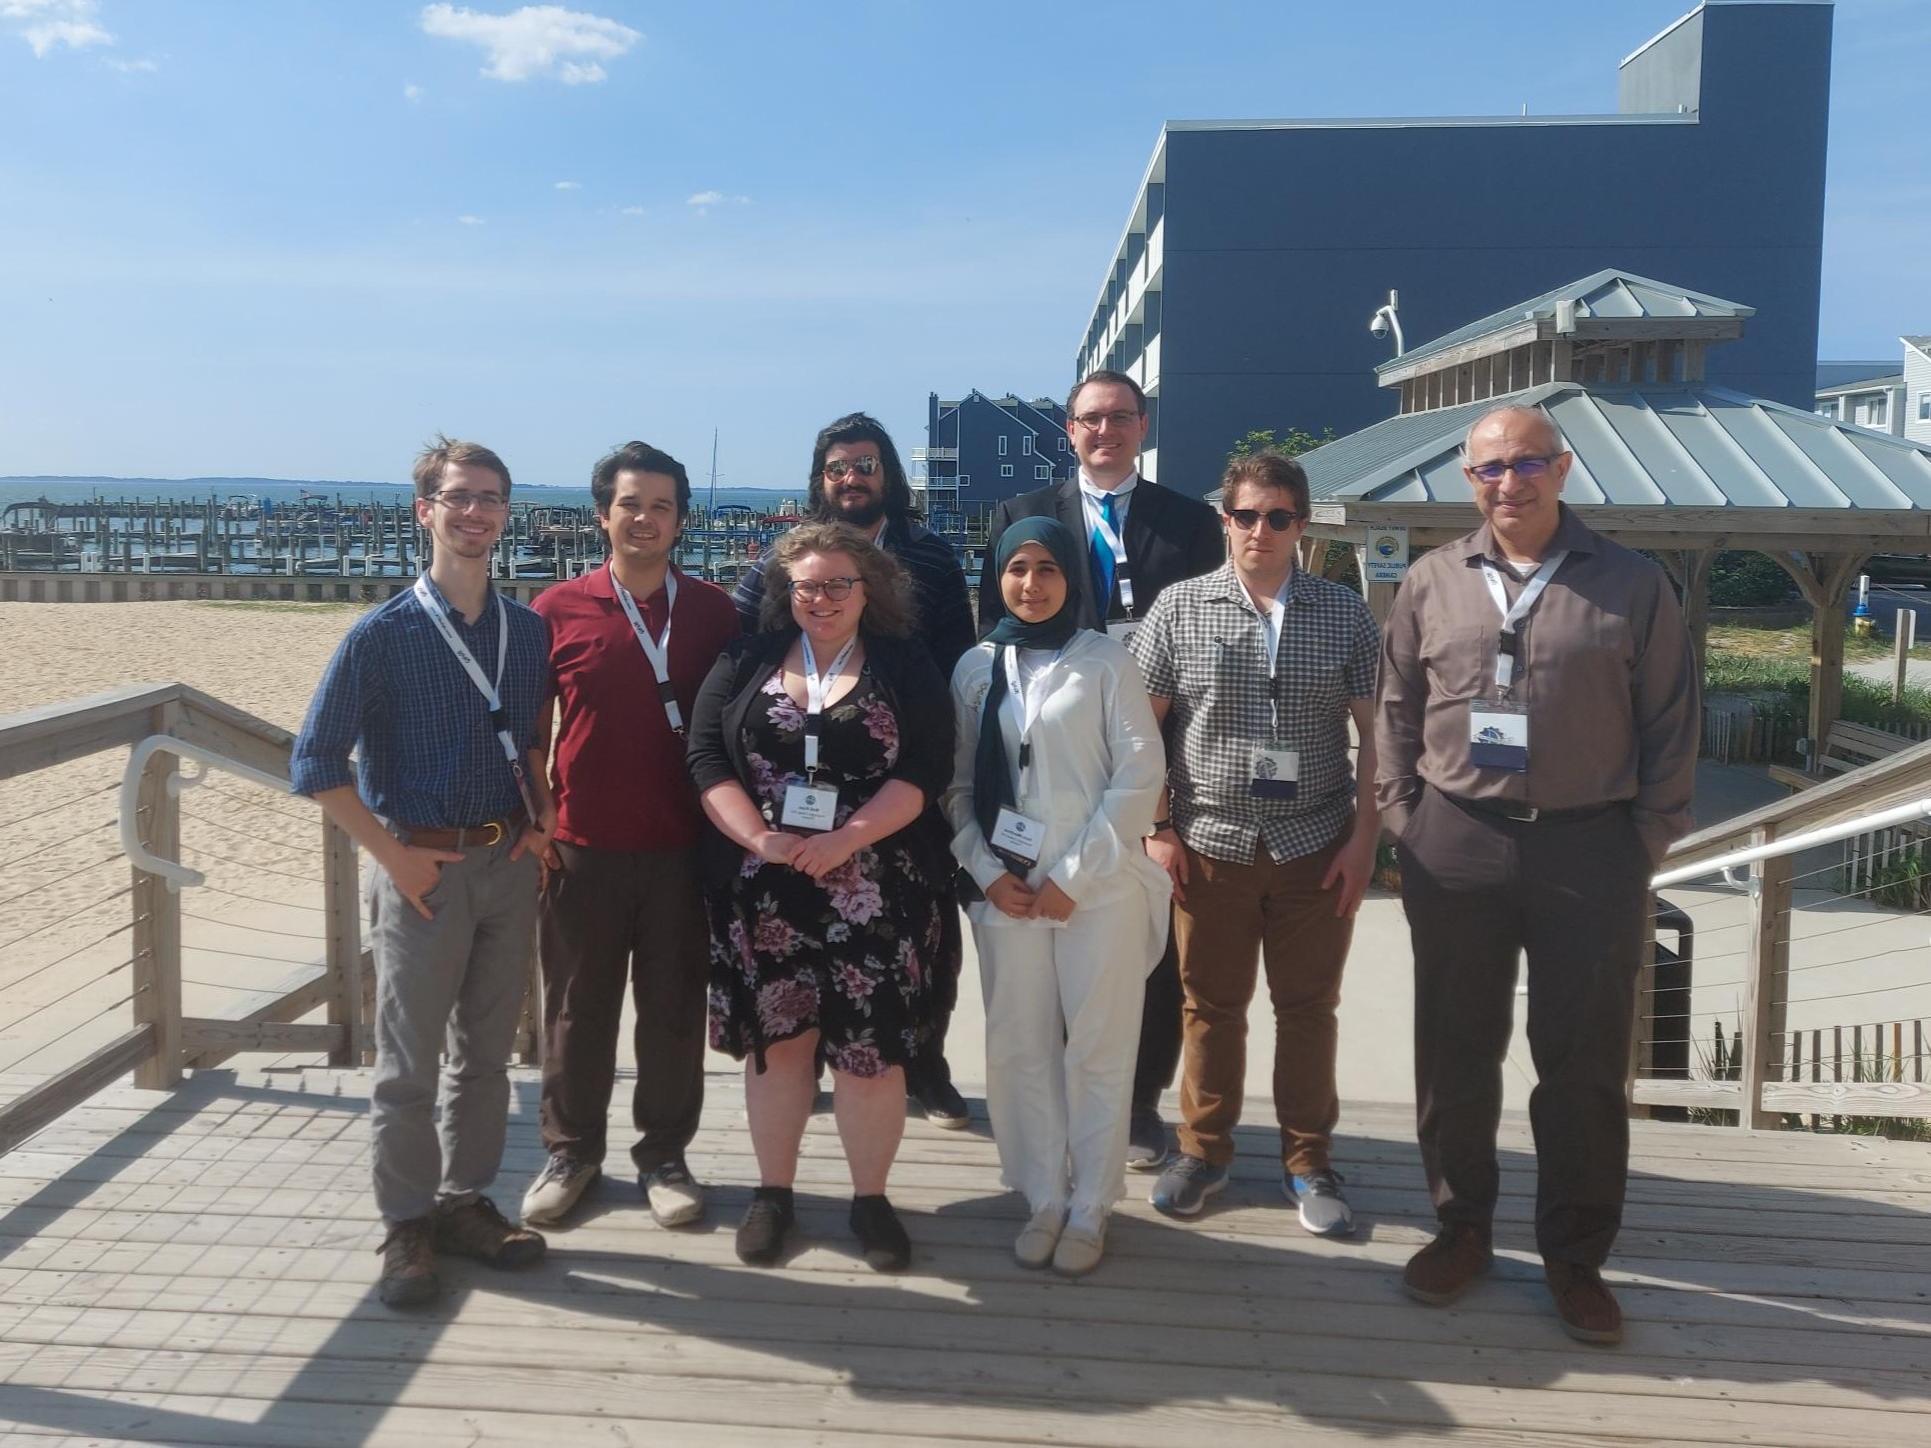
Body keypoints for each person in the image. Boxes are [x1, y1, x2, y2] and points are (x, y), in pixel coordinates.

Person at [1375, 403, 1699, 1346]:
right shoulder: (1433, 580)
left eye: (1525, 464)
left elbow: (1671, 720)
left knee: (1583, 1064)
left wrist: (1642, 840)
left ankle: (1574, 1258)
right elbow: (1397, 706)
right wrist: (1405, 818)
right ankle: (1461, 1228)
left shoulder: (1632, 585)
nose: (1506, 483)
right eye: (1486, 470)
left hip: (1587, 847)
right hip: (1458, 840)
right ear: (1466, 481)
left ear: (1562, 470)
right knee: (1455, 1048)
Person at [290, 436, 553, 1308]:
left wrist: (540, 815)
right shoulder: (382, 634)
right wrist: (390, 854)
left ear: (506, 513)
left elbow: (534, 738)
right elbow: (316, 761)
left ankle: (464, 1201)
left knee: (484, 1054)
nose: (474, 512)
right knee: (406, 1058)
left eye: (490, 498)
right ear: (425, 511)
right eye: (458, 498)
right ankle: (405, 1221)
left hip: (506, 861)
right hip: (422, 866)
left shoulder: (529, 630)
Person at [688, 522, 956, 1272]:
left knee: (871, 1056)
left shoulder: (905, 663)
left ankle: (870, 1200)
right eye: (807, 584)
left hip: (876, 889)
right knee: (779, 1049)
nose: (823, 597)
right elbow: (707, 757)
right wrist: (760, 841)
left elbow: (928, 767)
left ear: (869, 588)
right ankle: (773, 1194)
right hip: (766, 892)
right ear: (786, 592)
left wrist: (847, 839)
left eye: (839, 582)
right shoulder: (746, 657)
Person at [1128, 450, 1380, 1235]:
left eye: (1277, 518)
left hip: (1313, 843)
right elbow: (1141, 731)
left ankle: (1308, 1162)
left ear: (1300, 526)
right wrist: (1158, 828)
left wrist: (1365, 840)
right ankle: (1203, 1151)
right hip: (1209, 845)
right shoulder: (1178, 608)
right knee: (1209, 1007)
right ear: (1224, 520)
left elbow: (1379, 738)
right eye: (1245, 516)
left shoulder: (1343, 613)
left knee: (1308, 1009)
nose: (1259, 531)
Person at [979, 369, 1223, 1171]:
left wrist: (1164, 807)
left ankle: (1136, 1103)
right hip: (1052, 762)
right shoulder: (1022, 519)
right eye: (1090, 419)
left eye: (1120, 417)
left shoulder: (1189, 523)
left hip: (1159, 756)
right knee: (1047, 941)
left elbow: (1202, 650)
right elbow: (997, 642)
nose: (1105, 431)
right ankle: (1053, 1107)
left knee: (1142, 942)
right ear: (1069, 429)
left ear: (1142, 425)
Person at [520, 441, 741, 1231]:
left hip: (684, 846)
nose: (643, 518)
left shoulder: (716, 612)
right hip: (582, 844)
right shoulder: (555, 610)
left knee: (674, 1009)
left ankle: (664, 1156)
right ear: (601, 514)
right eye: (629, 504)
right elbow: (531, 732)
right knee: (578, 1009)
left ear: (681, 519)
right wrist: (539, 817)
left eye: (660, 506)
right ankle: (572, 1151)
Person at [733, 414, 976, 1129]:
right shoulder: (781, 560)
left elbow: (960, 667)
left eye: (866, 465)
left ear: (889, 477)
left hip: (901, 784)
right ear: (820, 479)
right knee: (798, 927)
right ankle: (803, 1063)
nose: (851, 478)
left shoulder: (929, 558)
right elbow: (743, 651)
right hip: (796, 789)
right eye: (838, 466)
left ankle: (923, 1063)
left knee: (925, 930)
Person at [944, 518, 1170, 1276]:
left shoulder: (1105, 662)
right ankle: (1041, 1192)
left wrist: (1072, 878)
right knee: (1018, 1045)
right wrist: (984, 871)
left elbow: (1138, 778)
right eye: (1016, 568)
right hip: (1006, 890)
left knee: (1099, 1049)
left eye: (1047, 568)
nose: (1031, 584)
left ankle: (1089, 1204)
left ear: (1072, 577)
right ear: (997, 578)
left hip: (1093, 891)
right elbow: (959, 788)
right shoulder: (975, 667)